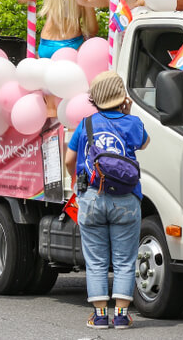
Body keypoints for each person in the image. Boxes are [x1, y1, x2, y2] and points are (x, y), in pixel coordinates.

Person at [65, 71, 149, 330]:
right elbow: (145, 144)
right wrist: (129, 111)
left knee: (96, 260)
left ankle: (100, 316)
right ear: (121, 95)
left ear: (95, 98)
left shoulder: (86, 124)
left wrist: (76, 178)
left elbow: (69, 160)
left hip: (92, 197)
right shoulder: (132, 122)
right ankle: (122, 315)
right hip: (126, 199)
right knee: (125, 260)